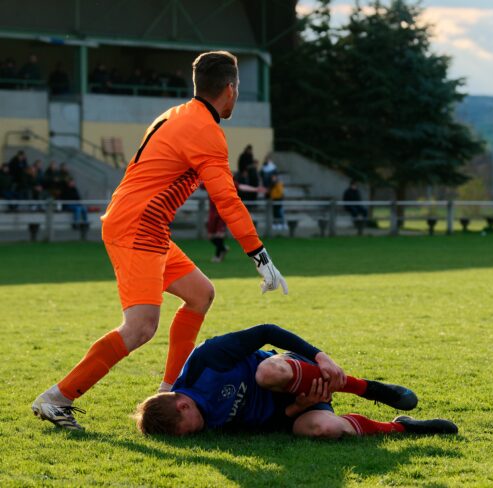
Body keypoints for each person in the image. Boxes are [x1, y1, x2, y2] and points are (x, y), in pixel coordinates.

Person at [32, 51, 289, 431]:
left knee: (200, 294)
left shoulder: (178, 114)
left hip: (142, 224)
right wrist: (260, 255)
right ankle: (57, 398)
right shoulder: (205, 131)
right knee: (140, 327)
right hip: (138, 226)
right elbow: (227, 200)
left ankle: (170, 389)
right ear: (231, 89)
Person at [134, 324, 458, 438]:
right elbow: (263, 425)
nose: (199, 431)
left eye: (191, 426)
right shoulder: (205, 423)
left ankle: (366, 388)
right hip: (293, 407)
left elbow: (266, 331)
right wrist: (297, 409)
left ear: (182, 402)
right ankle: (404, 427)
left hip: (290, 372)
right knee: (324, 430)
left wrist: (320, 356)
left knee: (267, 373)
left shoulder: (205, 362)